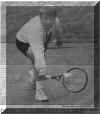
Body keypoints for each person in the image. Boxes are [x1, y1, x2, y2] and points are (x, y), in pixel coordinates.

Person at [16, 7, 62, 101]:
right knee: (38, 62)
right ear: (40, 17)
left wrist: (59, 39)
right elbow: (40, 60)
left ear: (55, 17)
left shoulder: (56, 22)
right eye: (45, 18)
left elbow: (58, 31)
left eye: (51, 18)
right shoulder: (35, 29)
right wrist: (41, 71)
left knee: (37, 65)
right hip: (23, 42)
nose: (49, 21)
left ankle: (33, 75)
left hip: (43, 39)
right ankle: (39, 93)